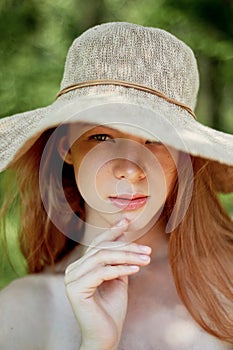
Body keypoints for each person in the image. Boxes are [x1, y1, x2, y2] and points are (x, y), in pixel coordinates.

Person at [0, 22, 232, 350]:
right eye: (102, 137)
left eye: (155, 140)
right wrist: (96, 343)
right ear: (65, 146)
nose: (130, 169)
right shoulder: (20, 312)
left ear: (184, 157)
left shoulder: (228, 281)